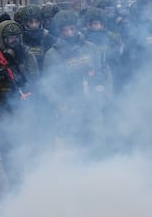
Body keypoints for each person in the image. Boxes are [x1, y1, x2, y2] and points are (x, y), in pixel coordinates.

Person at [42, 9, 111, 152]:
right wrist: (59, 102)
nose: (69, 33)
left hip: (92, 105)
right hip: (69, 108)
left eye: (72, 29)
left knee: (97, 144)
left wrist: (106, 92)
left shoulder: (91, 48)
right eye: (65, 30)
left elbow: (103, 72)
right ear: (59, 32)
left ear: (77, 28)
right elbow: (47, 85)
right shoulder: (52, 55)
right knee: (75, 148)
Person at [0, 20, 39, 186]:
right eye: (9, 38)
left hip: (23, 106)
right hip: (2, 107)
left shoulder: (27, 54)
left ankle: (32, 181)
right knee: (7, 147)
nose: (13, 41)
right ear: (1, 39)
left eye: (16, 37)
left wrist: (23, 80)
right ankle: (15, 183)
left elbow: (36, 81)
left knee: (27, 145)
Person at [14, 4, 56, 72]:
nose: (34, 25)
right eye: (30, 22)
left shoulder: (48, 37)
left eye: (37, 21)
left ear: (41, 21)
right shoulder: (19, 39)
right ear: (25, 23)